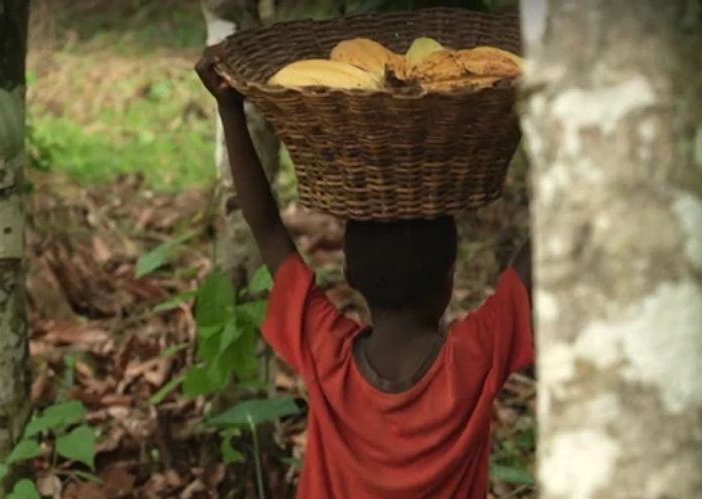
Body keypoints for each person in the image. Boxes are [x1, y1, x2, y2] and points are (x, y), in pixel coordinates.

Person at [195, 46, 534, 499]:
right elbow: (536, 261)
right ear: (449, 280)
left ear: (351, 274)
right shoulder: (474, 360)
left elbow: (268, 229)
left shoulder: (326, 352)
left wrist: (230, 110)